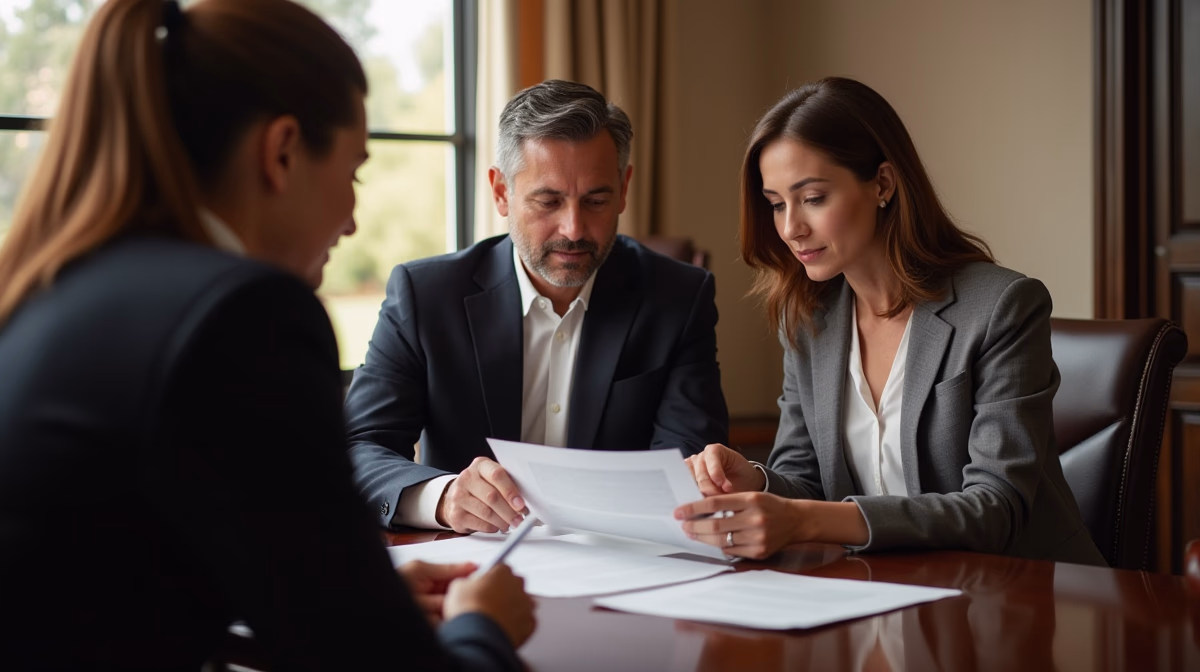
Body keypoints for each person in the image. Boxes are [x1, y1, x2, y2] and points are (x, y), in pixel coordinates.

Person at [0, 0, 534, 669]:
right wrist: (484, 627)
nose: (352, 220)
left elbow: (119, 582)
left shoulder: (52, 286)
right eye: (353, 171)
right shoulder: (240, 315)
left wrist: (351, 597)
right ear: (281, 151)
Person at [673, 77, 1105, 566]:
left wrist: (804, 519)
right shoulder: (807, 318)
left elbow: (995, 510)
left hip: (1028, 589)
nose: (790, 228)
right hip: (892, 585)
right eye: (776, 204)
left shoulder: (1002, 307)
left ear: (882, 184)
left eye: (812, 198)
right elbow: (808, 481)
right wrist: (756, 481)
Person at [347, 79, 729, 535]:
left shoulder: (679, 298)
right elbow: (360, 448)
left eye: (596, 200)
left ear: (624, 188)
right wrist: (444, 498)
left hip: (625, 552)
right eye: (548, 201)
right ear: (501, 192)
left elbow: (691, 462)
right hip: (469, 558)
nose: (573, 229)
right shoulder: (425, 296)